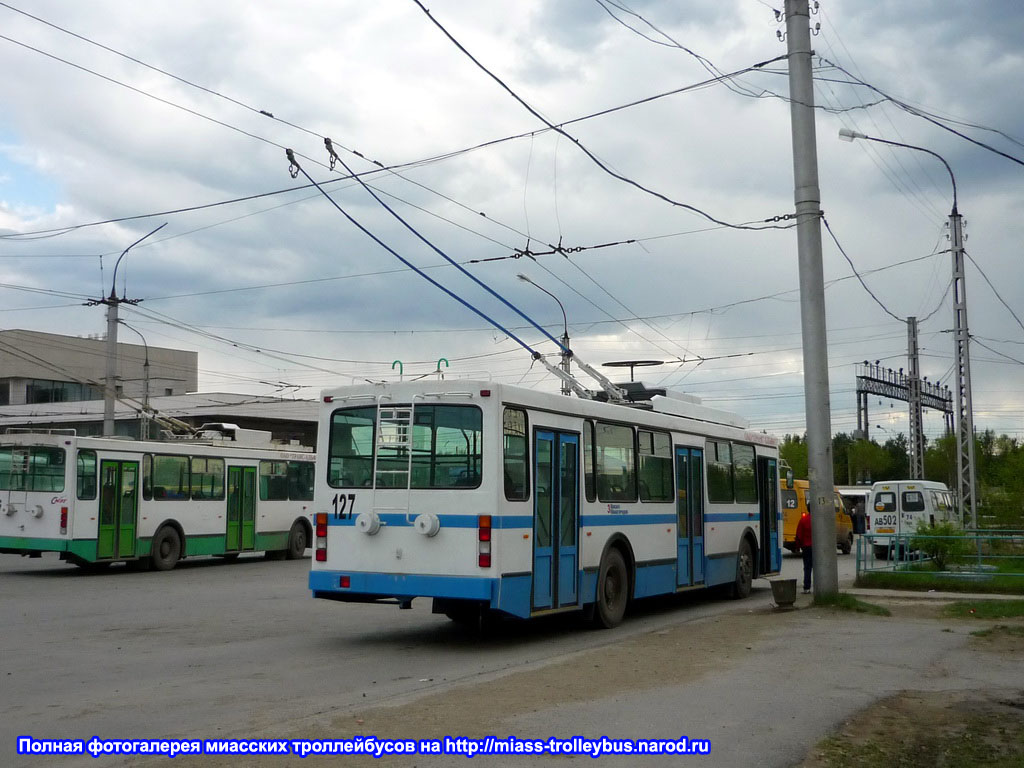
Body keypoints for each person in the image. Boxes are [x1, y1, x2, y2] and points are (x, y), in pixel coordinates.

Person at [795, 509, 813, 593]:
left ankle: (807, 587)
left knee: (807, 568)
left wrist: (798, 546)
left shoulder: (803, 520)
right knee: (819, 567)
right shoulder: (820, 520)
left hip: (806, 547)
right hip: (818, 548)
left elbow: (799, 535)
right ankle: (820, 587)